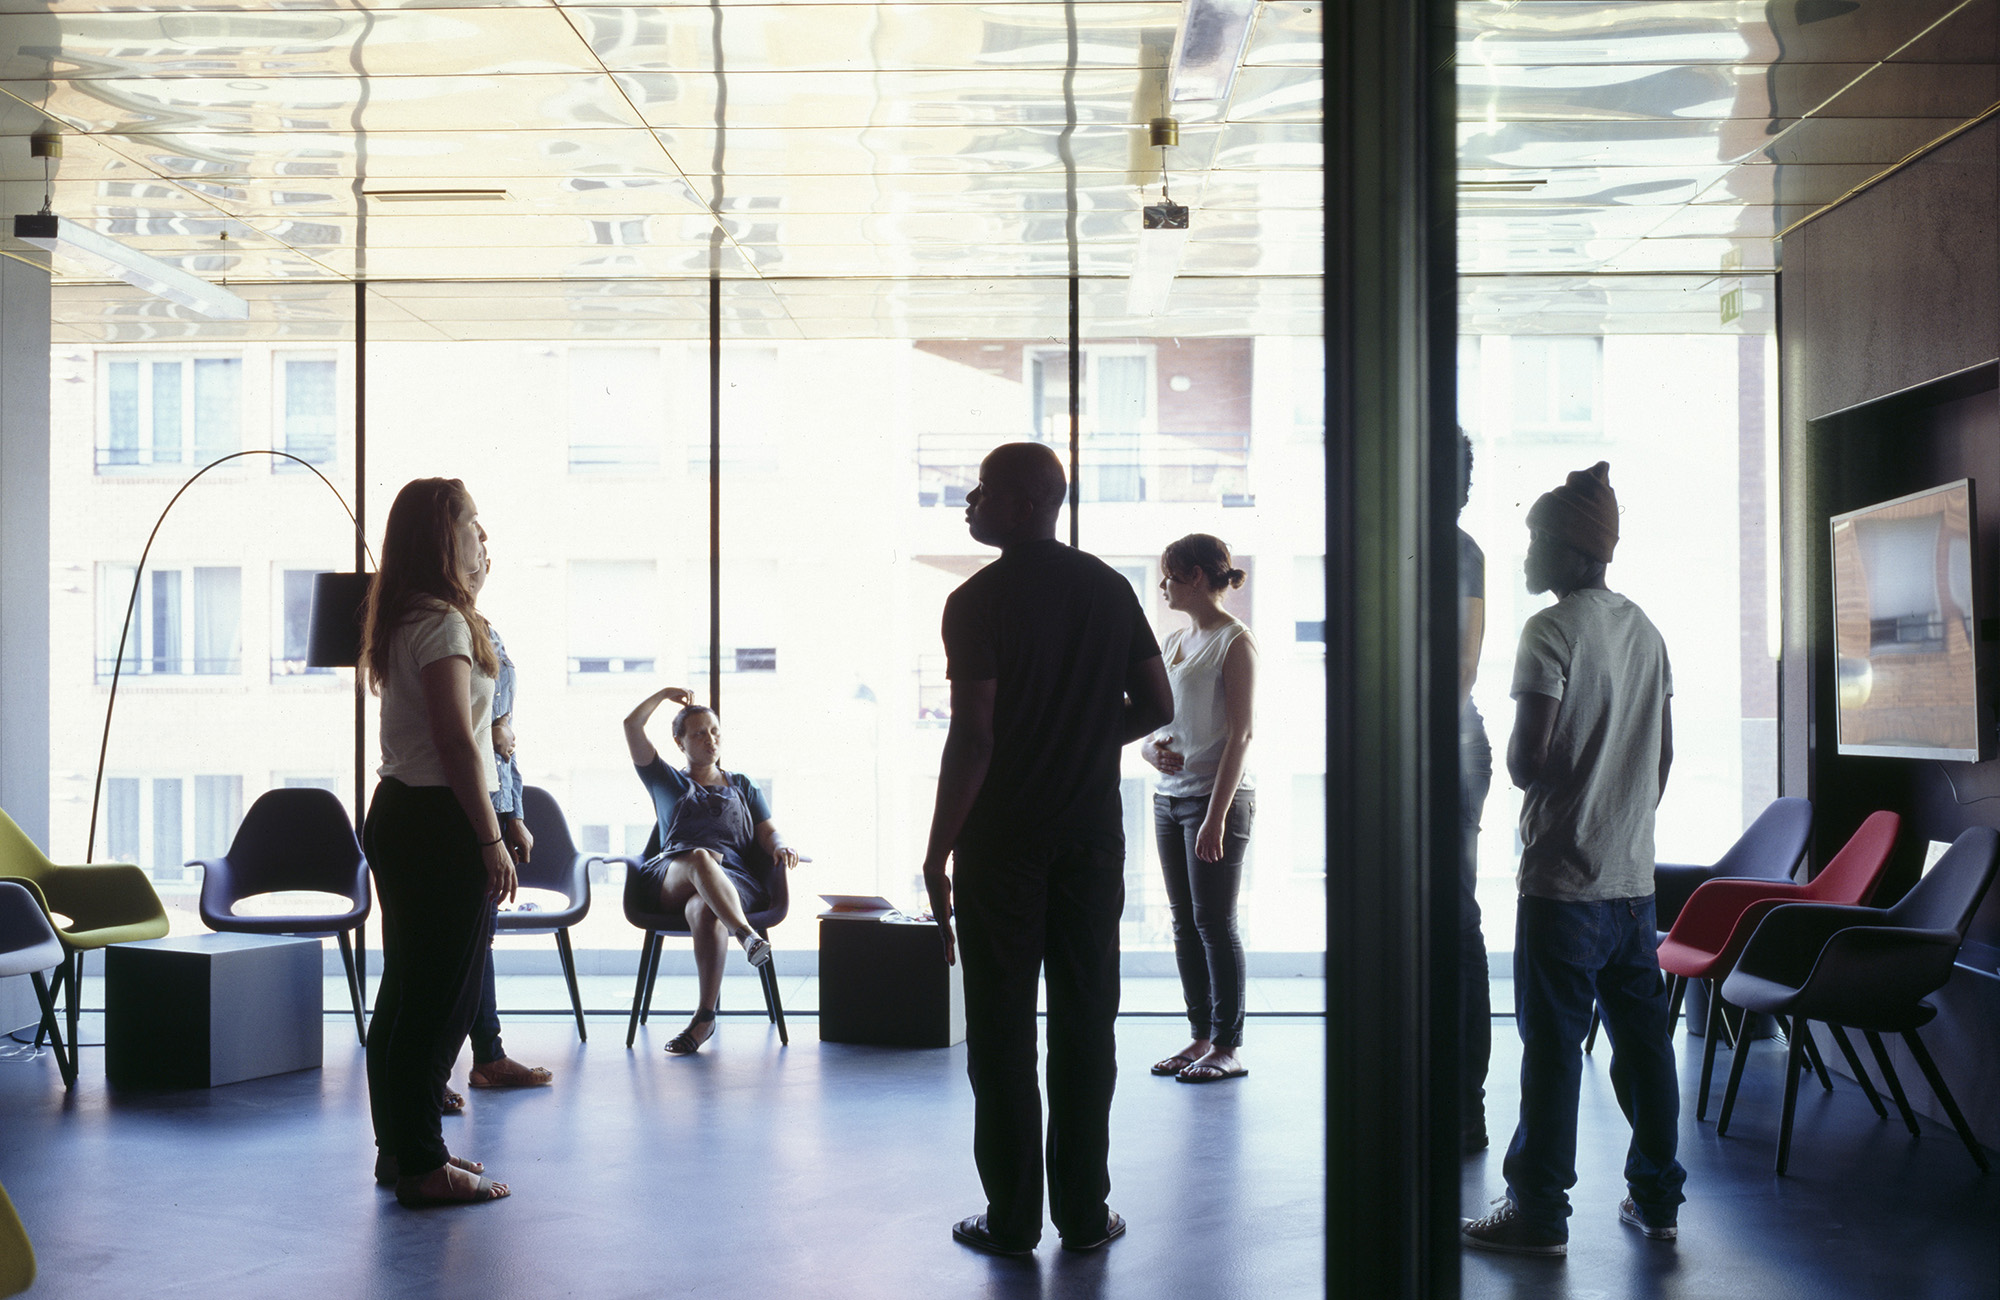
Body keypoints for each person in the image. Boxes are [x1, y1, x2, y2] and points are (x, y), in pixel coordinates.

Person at [920, 442, 1173, 1256]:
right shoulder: (1109, 587)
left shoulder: (976, 601)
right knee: (1086, 1022)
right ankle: (1086, 1215)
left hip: (1002, 847)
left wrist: (936, 852)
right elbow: (1158, 702)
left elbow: (973, 738)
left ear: (1024, 503)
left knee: (1000, 1031)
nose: (969, 499)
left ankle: (1013, 1217)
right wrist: (1087, 740)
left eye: (983, 489)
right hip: (1092, 840)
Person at [1462, 461, 1685, 1256]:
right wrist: (1619, 809)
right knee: (1645, 1046)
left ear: (1568, 549)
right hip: (1633, 884)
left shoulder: (1549, 632)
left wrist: (1569, 784)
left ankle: (1538, 1214)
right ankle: (1658, 1200)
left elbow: (1526, 761)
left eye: (1534, 542)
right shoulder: (1644, 628)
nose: (1525, 558)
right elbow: (1661, 758)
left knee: (1553, 1051)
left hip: (1563, 884)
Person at [359, 477, 514, 1207]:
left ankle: (405, 1151)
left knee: (406, 996)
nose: (485, 540)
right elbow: (455, 742)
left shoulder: (406, 615)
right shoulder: (446, 623)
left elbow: (460, 733)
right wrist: (490, 839)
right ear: (440, 539)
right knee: (436, 1003)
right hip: (437, 820)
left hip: (399, 811)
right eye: (473, 527)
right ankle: (421, 1162)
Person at [623, 687, 801, 1055]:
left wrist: (780, 844)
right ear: (680, 741)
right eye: (699, 733)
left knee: (704, 910)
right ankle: (748, 936)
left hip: (731, 881)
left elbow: (768, 831)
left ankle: (705, 1017)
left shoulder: (743, 785)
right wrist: (663, 694)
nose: (710, 739)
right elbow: (631, 725)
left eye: (715, 731)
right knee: (701, 857)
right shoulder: (664, 780)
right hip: (671, 873)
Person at [1141, 533, 1257, 1085]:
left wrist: (1216, 816)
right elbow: (1155, 720)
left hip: (1215, 800)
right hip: (1169, 798)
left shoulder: (1234, 641)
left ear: (1192, 576)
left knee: (1214, 921)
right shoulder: (1174, 642)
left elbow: (1241, 734)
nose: (1163, 586)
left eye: (1168, 576)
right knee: (1185, 923)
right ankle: (1200, 1037)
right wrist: (1148, 749)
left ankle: (1229, 1045)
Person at [440, 615, 553, 1108]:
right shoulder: (443, 625)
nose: (485, 551)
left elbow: (501, 734)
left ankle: (487, 1056)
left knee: (476, 944)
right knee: (452, 952)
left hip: (491, 802)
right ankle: (443, 1069)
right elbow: (465, 736)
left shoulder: (486, 627)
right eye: (474, 537)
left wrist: (514, 816)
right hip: (456, 808)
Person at [1457, 433, 1493, 1154]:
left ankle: (1463, 1105)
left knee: (1454, 926)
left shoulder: (1460, 552)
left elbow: (1460, 667)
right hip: (1447, 746)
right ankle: (1459, 1104)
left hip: (1447, 752)